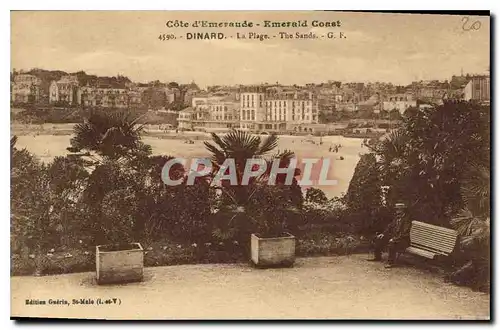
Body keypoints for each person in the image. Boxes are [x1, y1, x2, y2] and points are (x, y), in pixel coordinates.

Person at [368, 203, 412, 268]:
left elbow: (405, 233)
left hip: (403, 240)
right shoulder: (396, 218)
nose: (397, 211)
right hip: (395, 238)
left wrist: (394, 239)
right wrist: (383, 234)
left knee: (392, 244)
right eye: (396, 210)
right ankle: (377, 257)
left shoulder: (407, 220)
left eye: (398, 210)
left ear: (403, 210)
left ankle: (391, 263)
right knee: (379, 238)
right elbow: (389, 227)